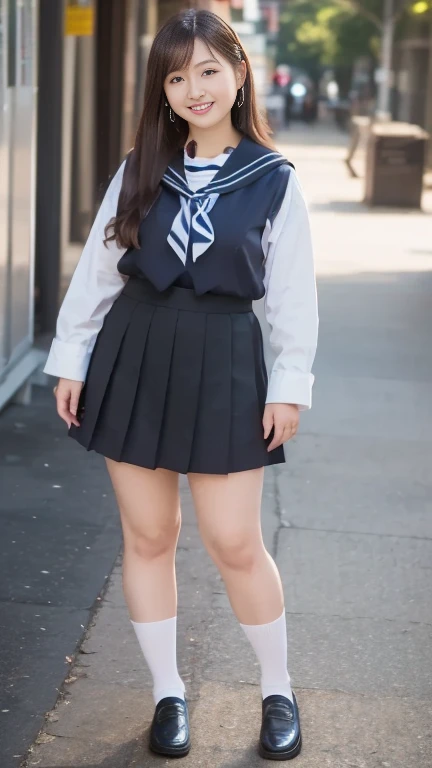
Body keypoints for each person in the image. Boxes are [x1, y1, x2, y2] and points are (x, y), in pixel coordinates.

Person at [44, 8, 318, 761]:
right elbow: (99, 272)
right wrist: (71, 359)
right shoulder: (139, 169)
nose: (193, 88)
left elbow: (294, 296)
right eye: (175, 75)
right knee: (150, 535)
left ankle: (277, 688)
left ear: (237, 74)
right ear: (161, 90)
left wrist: (288, 384)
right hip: (133, 353)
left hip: (227, 357)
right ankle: (168, 693)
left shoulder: (273, 180)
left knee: (234, 540)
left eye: (206, 70)